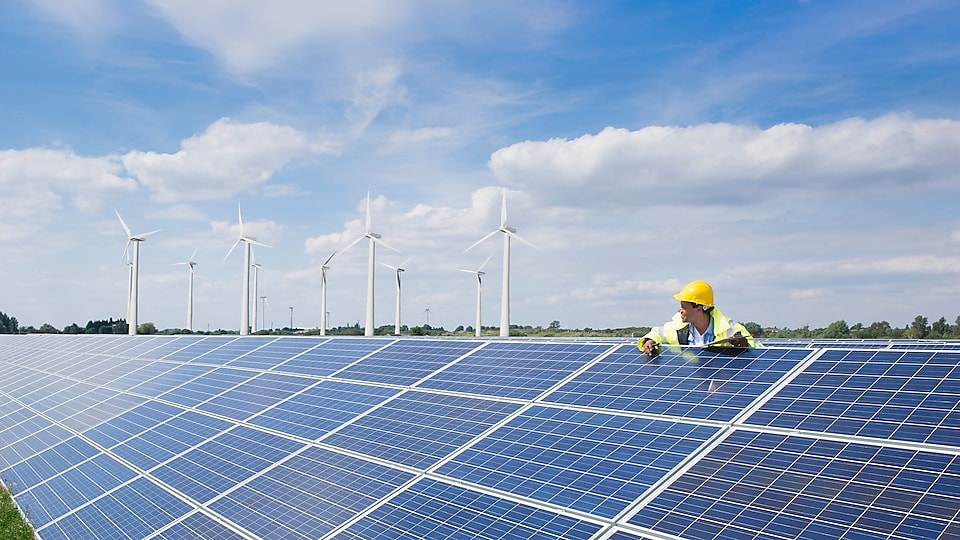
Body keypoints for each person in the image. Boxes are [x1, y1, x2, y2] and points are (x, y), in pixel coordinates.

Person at [638, 280, 757, 356]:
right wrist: (649, 340)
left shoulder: (731, 329)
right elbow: (658, 332)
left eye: (683, 307)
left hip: (720, 386)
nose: (679, 310)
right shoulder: (678, 327)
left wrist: (746, 347)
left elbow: (759, 352)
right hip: (691, 384)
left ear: (699, 309)